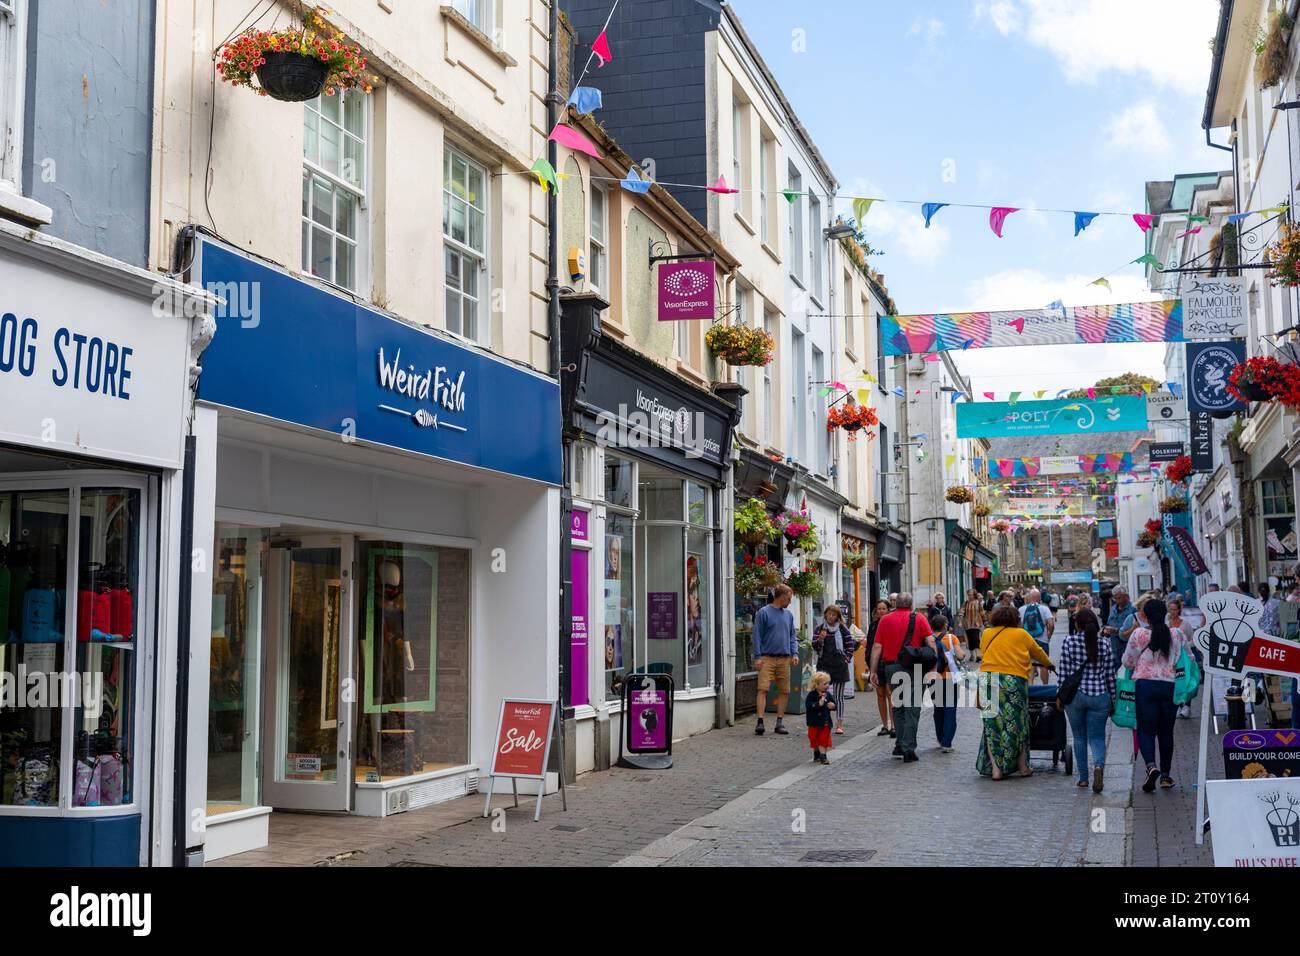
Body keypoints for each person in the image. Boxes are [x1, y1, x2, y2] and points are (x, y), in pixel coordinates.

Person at [976, 605, 1054, 780]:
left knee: (991, 725)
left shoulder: (987, 633)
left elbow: (984, 652)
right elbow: (1038, 652)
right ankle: (1022, 766)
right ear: (1015, 619)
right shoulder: (1021, 634)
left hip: (988, 679)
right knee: (1018, 724)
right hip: (1012, 681)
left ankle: (996, 769)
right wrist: (1049, 664)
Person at [1123, 596, 1190, 792]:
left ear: (1145, 616)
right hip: (1170, 687)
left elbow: (1127, 661)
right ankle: (1166, 776)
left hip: (1145, 686)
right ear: (1166, 613)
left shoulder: (1138, 635)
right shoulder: (1177, 634)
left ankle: (1151, 766)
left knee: (1145, 730)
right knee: (1166, 732)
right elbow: (1190, 658)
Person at [868, 593, 936, 763]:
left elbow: (877, 647)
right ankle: (908, 748)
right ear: (911, 604)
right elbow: (930, 642)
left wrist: (873, 671)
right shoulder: (919, 618)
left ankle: (899, 743)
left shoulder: (885, 620)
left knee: (898, 706)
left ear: (895, 604)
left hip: (892, 667)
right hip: (915, 667)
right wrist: (934, 666)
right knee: (912, 708)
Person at [1058, 603, 1115, 793]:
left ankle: (1083, 778)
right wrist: (1113, 698)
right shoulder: (1105, 643)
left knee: (1079, 737)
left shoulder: (1069, 642)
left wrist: (1060, 695)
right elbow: (1110, 674)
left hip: (1075, 696)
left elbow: (1064, 673)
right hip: (1099, 695)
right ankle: (1098, 766)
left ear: (1078, 625)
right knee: (1097, 737)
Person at [753, 585, 799, 737]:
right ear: (782, 596)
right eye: (789, 598)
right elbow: (757, 636)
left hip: (784, 658)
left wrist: (795, 653)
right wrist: (758, 656)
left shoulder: (789, 615)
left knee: (784, 690)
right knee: (763, 689)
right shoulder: (763, 613)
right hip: (767, 657)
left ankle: (780, 722)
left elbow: (792, 636)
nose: (790, 602)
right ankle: (760, 721)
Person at [926, 610, 967, 752]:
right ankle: (947, 743)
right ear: (945, 625)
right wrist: (961, 655)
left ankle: (940, 738)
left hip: (932, 678)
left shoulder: (927, 639)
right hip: (949, 679)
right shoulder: (951, 638)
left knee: (938, 709)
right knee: (950, 709)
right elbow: (961, 655)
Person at [812, 605, 856, 735]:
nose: (831, 617)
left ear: (837, 616)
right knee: (822, 695)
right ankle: (823, 722)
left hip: (839, 666)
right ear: (825, 615)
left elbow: (850, 646)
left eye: (834, 615)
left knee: (839, 697)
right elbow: (814, 646)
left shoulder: (843, 629)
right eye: (829, 614)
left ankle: (839, 724)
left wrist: (846, 659)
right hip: (824, 666)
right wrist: (820, 638)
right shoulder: (819, 629)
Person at [864, 600, 894, 737]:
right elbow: (870, 645)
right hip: (876, 665)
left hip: (888, 662)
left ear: (888, 610)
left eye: (883, 608)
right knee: (880, 695)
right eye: (879, 609)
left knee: (890, 694)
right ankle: (884, 725)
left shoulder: (891, 624)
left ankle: (894, 725)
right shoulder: (873, 625)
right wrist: (869, 663)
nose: (881, 611)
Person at [1167, 596, 1197, 719]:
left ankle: (1186, 707)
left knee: (1185, 681)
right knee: (1174, 682)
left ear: (1179, 610)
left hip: (1184, 659)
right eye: (1170, 609)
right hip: (1171, 658)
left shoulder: (1185, 624)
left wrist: (1184, 646)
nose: (1172, 612)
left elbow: (1192, 639)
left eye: (1175, 609)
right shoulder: (1166, 624)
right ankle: (1177, 705)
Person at [1019, 588, 1054, 684]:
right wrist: (1049, 636)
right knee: (1044, 665)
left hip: (1027, 641)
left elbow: (1019, 626)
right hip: (1042, 641)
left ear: (1029, 597)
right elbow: (1051, 624)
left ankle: (1030, 687)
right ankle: (1045, 687)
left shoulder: (1022, 609)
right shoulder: (1044, 608)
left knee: (1030, 665)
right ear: (1039, 598)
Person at [805, 671, 836, 765]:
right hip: (814, 722)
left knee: (824, 739)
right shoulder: (811, 695)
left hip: (825, 722)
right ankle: (816, 753)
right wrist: (818, 704)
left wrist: (833, 706)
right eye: (825, 684)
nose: (827, 685)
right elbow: (809, 706)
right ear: (817, 685)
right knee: (814, 739)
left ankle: (823, 756)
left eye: (828, 683)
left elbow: (834, 704)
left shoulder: (828, 694)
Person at [1104, 585, 1138, 665]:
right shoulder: (1113, 609)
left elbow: (1136, 630)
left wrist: (1116, 630)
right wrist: (1106, 631)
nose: (1116, 601)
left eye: (1119, 598)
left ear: (1126, 596)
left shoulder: (1133, 609)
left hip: (1127, 647)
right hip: (1114, 647)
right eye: (1114, 598)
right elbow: (1109, 623)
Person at [960, 589, 985, 662]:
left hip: (976, 624)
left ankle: (978, 656)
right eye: (968, 595)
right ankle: (972, 655)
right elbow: (961, 612)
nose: (969, 596)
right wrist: (960, 622)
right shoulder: (966, 603)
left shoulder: (978, 602)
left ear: (974, 595)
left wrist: (985, 621)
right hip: (967, 624)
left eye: (971, 595)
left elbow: (982, 612)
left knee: (976, 639)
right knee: (970, 640)